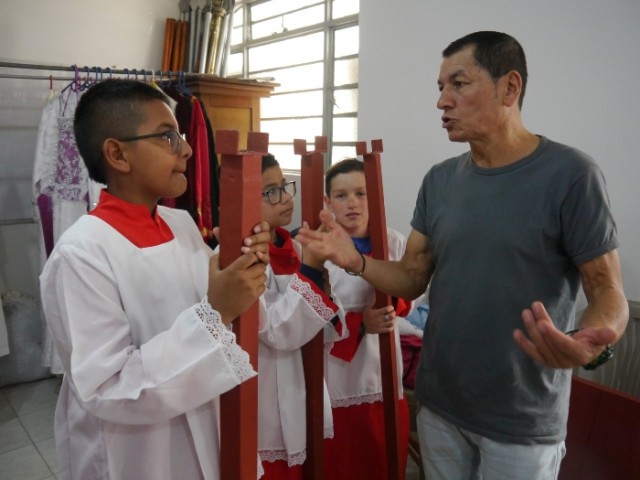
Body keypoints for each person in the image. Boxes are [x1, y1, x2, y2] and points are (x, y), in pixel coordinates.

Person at [296, 31, 628, 480]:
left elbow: (607, 290)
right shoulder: (440, 181)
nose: (442, 102)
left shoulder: (571, 176)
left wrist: (589, 343)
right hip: (441, 406)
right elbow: (413, 275)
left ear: (510, 87)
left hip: (521, 419)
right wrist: (352, 260)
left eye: (459, 84)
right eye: (440, 88)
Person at [39, 79, 270, 480]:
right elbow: (109, 387)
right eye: (168, 136)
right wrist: (216, 310)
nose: (187, 148)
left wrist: (242, 270)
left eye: (180, 134)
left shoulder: (180, 224)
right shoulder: (83, 253)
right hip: (139, 452)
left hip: (208, 421)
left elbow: (234, 320)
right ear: (117, 154)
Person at [320, 158, 420, 480]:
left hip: (383, 374)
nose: (353, 203)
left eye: (362, 193)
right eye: (341, 195)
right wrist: (360, 324)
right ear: (327, 201)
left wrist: (391, 306)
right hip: (336, 377)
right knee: (342, 464)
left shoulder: (394, 242)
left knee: (382, 460)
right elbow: (305, 315)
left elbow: (414, 292)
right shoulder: (315, 249)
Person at [256, 154, 345, 479]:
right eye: (271, 191)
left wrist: (318, 276)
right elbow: (276, 330)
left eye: (284, 186)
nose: (286, 198)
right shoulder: (240, 257)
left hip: (305, 385)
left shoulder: (294, 247)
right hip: (267, 395)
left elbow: (329, 322)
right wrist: (309, 269)